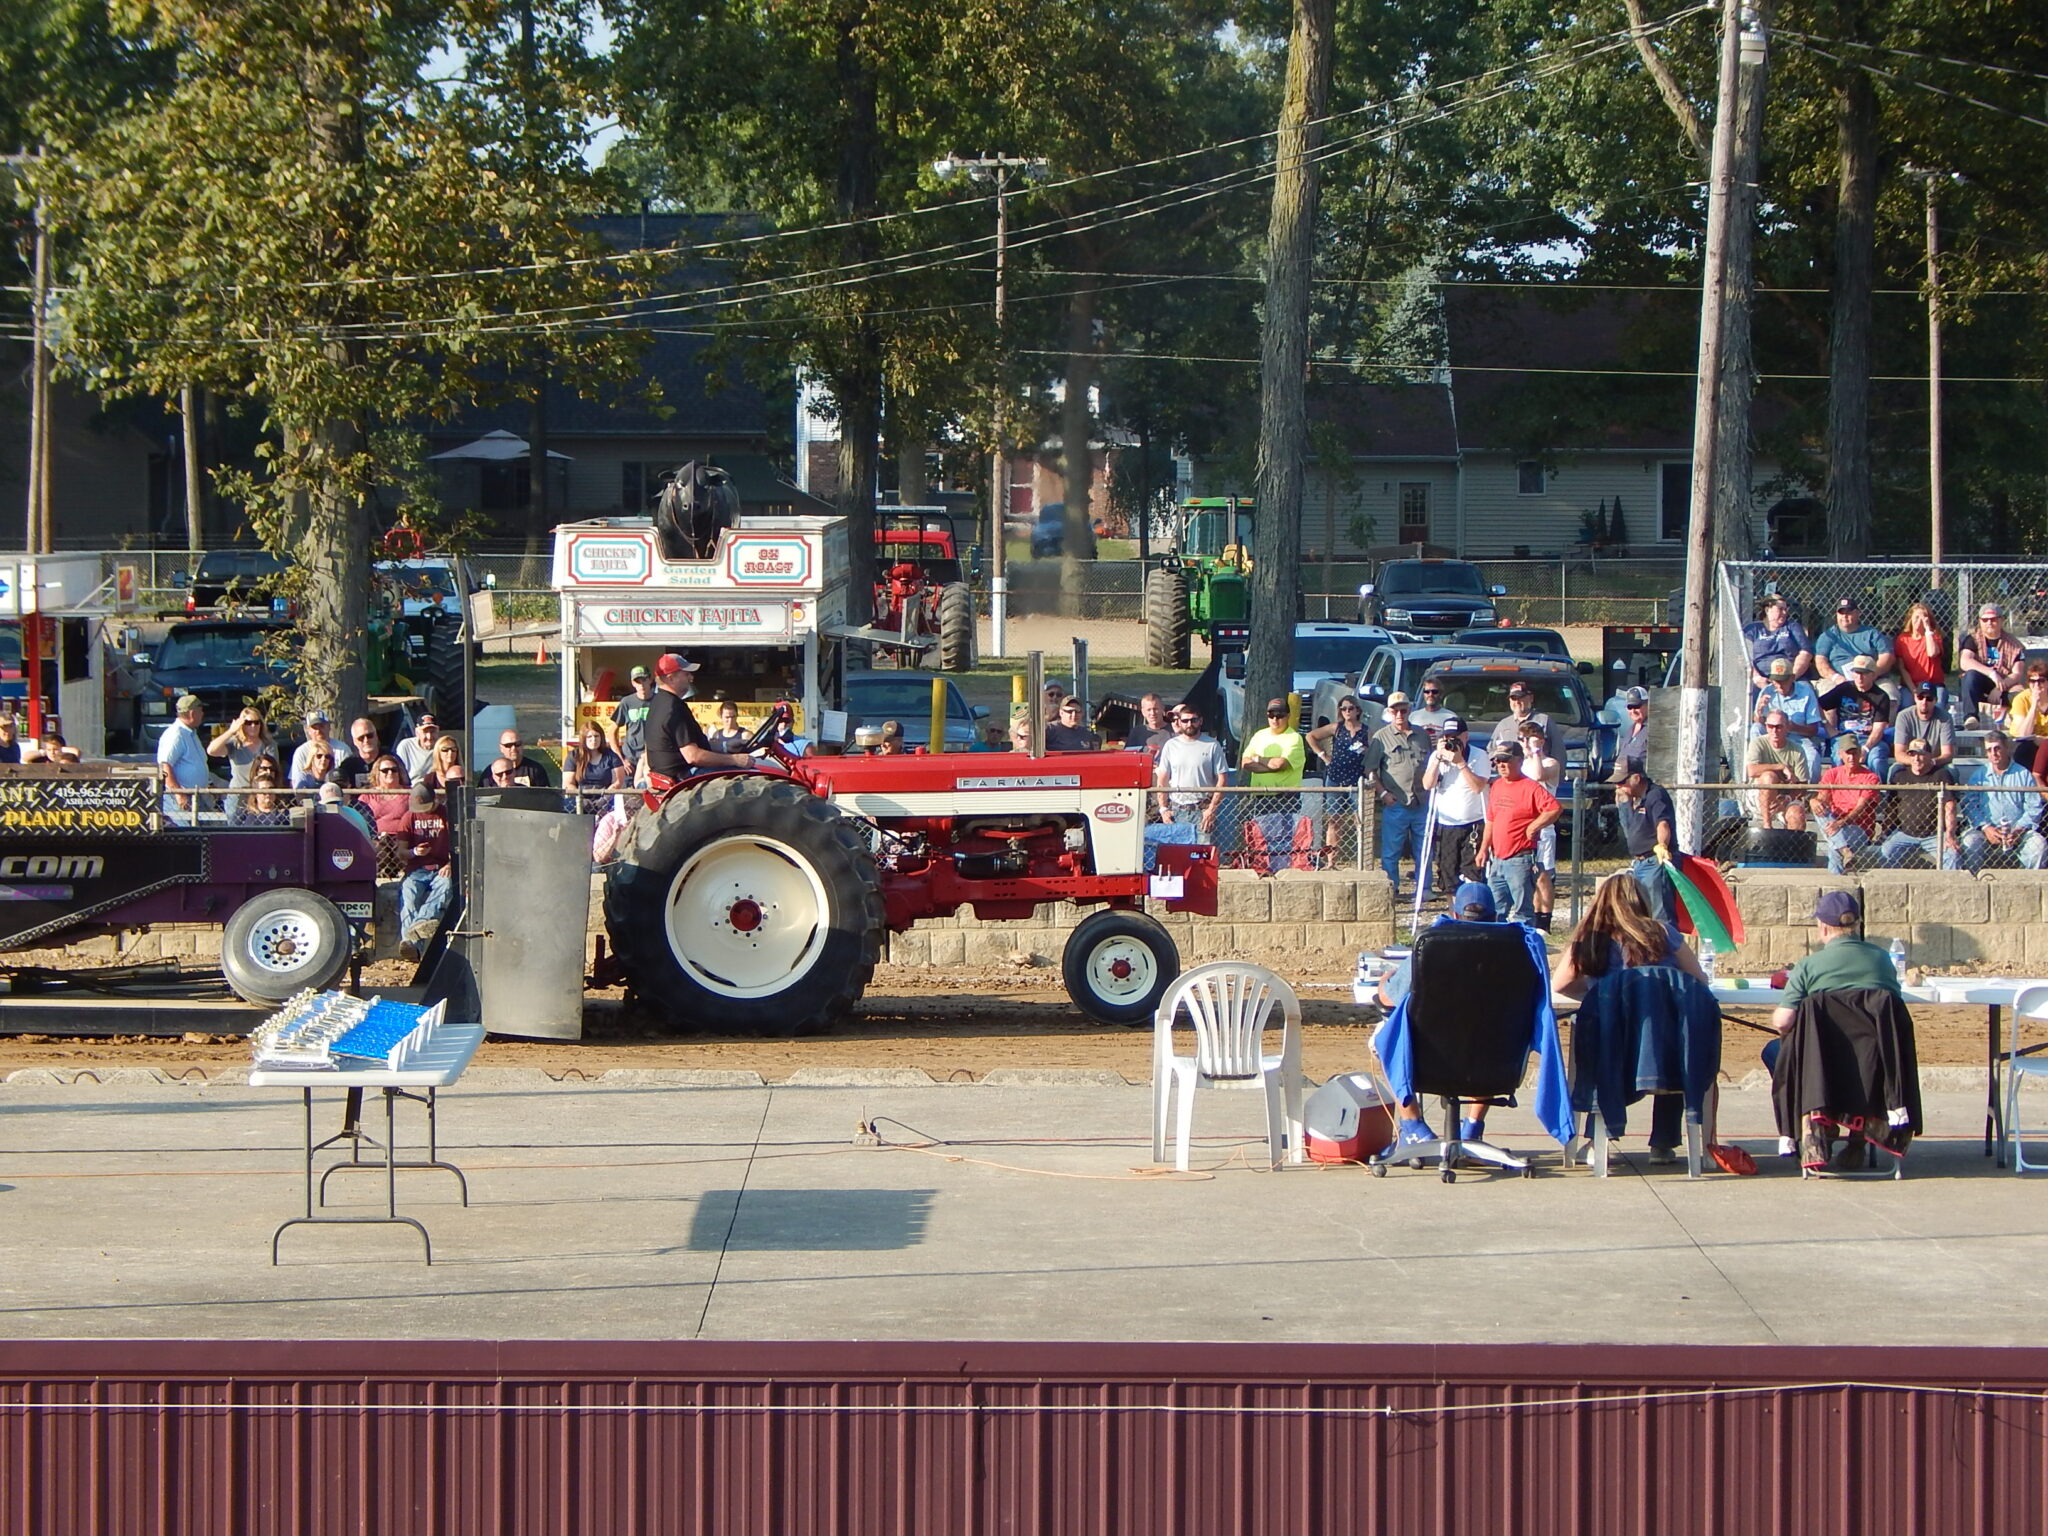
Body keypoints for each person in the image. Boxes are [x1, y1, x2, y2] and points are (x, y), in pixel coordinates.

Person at [1550, 872, 1713, 1164]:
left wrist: (1597, 997)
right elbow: (1698, 980)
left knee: (1604, 1040)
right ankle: (1664, 1142)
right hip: (1662, 1046)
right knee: (1675, 1033)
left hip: (1611, 1043)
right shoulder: (1663, 933)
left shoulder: (1591, 939)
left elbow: (1559, 985)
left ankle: (1597, 1138)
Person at [1769, 890, 1905, 1170]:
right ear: (1856, 925)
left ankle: (1819, 1126)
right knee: (1861, 1060)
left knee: (1776, 1052)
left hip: (1820, 1066)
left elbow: (1783, 1022)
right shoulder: (1882, 960)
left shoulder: (1809, 966)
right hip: (1873, 1064)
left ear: (1824, 926)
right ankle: (1857, 1140)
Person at [1350, 693, 1426, 897]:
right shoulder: (1381, 737)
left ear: (1409, 710)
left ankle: (1424, 890)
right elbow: (1370, 770)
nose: (1399, 714)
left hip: (1422, 802)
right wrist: (1383, 793)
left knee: (1425, 850)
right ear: (1389, 712)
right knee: (1391, 851)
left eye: (1403, 710)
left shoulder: (1422, 735)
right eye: (1395, 710)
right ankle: (1392, 889)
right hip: (1395, 802)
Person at [1478, 739, 1559, 925]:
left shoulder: (1530, 787)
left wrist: (1535, 825)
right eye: (1497, 761)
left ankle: (1524, 950)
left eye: (1506, 760)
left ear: (1519, 761)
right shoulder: (1497, 785)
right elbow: (1491, 820)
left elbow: (1554, 808)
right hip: (1497, 859)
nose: (1501, 765)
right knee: (1494, 911)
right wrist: (1484, 849)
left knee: (1523, 912)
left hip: (1520, 859)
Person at [642, 652, 752, 786]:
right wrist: (735, 760)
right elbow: (692, 756)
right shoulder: (673, 708)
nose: (691, 678)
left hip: (669, 775)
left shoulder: (657, 703)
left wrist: (725, 746)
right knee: (751, 775)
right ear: (671, 678)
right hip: (684, 776)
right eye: (686, 674)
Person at [1420, 714, 1490, 898]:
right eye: (1448, 737)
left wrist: (1460, 763)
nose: (1452, 741)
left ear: (1465, 736)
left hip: (1473, 823)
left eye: (1456, 737)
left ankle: (1472, 916)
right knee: (1448, 878)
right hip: (1446, 824)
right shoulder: (1437, 756)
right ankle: (1455, 916)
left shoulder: (1479, 756)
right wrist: (1437, 759)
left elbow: (1478, 787)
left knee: (1472, 875)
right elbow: (1427, 785)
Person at [1960, 730, 2046, 870]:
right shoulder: (1978, 776)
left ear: (2007, 748)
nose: (1993, 753)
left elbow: (2034, 806)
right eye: (1989, 750)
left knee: (2039, 845)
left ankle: (2029, 888)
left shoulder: (2023, 774)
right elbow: (1970, 805)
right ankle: (1973, 886)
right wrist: (1986, 827)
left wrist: (2019, 829)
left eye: (1997, 748)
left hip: (2019, 832)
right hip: (1985, 831)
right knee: (1969, 842)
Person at [1877, 737, 1961, 869]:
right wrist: (1885, 832)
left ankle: (1949, 887)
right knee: (1885, 852)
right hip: (1905, 834)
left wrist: (1950, 834)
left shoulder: (1941, 775)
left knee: (1952, 855)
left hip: (1935, 835)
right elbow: (1892, 807)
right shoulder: (1899, 776)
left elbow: (1950, 806)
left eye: (1920, 754)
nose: (1916, 759)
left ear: (1929, 755)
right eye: (1912, 754)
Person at [396, 781, 454, 963]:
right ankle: (412, 946)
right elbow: (401, 852)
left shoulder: (447, 815)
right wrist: (414, 852)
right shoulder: (408, 817)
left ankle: (414, 934)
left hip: (441, 867)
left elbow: (459, 845)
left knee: (445, 886)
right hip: (417, 869)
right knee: (409, 894)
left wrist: (451, 864)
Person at [1614, 762, 1678, 921]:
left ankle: (1666, 945)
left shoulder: (1655, 795)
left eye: (1623, 782)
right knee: (1641, 914)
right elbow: (1629, 829)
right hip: (1639, 863)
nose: (1619, 786)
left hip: (1654, 862)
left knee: (1660, 914)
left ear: (1636, 778)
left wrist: (1662, 845)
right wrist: (1624, 803)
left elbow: (1662, 823)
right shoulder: (1634, 799)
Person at [1810, 737, 1882, 874]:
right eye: (1848, 753)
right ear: (1840, 754)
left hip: (1859, 827)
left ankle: (1836, 886)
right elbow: (1822, 799)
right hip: (1834, 823)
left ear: (1860, 753)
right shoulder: (1832, 774)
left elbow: (1861, 808)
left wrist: (1840, 823)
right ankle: (1845, 850)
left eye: (1855, 753)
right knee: (1818, 809)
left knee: (1834, 847)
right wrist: (1813, 802)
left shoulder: (1870, 777)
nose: (1851, 757)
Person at [1152, 703, 1227, 834]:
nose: (1189, 724)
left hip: (1203, 810)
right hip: (1176, 810)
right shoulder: (1171, 745)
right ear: (1179, 722)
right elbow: (1163, 779)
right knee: (1178, 853)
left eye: (1194, 720)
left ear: (1200, 721)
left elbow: (1222, 779)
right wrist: (1163, 809)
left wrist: (1211, 810)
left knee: (1202, 853)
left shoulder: (1212, 745)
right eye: (1185, 720)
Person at [1518, 720, 1562, 929]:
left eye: (1527, 739)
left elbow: (1538, 775)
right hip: (1523, 828)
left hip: (1544, 828)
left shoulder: (1550, 763)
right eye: (1521, 739)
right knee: (1526, 877)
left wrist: (1536, 751)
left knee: (1543, 876)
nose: (1524, 744)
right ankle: (1531, 919)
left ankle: (1544, 923)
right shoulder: (1521, 764)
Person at [1819, 656, 1893, 778]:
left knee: (1877, 761)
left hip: (1869, 739)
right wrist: (1828, 727)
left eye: (1864, 673)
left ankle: (1882, 794)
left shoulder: (1881, 696)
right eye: (1856, 673)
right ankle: (1839, 793)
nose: (1859, 677)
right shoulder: (1844, 689)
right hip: (1844, 737)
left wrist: (1865, 748)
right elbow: (1818, 704)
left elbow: (1878, 730)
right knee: (1839, 758)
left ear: (1872, 675)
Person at [1751, 657, 1826, 776]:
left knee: (1812, 757)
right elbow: (1759, 723)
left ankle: (1807, 791)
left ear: (1792, 678)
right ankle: (1756, 770)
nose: (1779, 685)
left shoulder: (1806, 692)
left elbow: (1814, 729)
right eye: (1776, 680)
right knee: (1755, 728)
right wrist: (1759, 711)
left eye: (1783, 680)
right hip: (1771, 738)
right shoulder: (1767, 691)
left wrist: (1792, 727)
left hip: (1797, 739)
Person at [1958, 603, 2024, 726]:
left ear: (2001, 620)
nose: (1989, 623)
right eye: (1985, 620)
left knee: (2020, 694)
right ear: (1980, 621)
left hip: (2005, 683)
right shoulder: (1972, 639)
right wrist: (1991, 673)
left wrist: (1999, 687)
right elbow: (1965, 661)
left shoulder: (2014, 644)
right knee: (1970, 676)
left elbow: (2017, 673)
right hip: (1981, 682)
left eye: (1993, 619)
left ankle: (2019, 724)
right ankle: (1971, 718)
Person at [1812, 597, 1895, 695]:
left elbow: (1887, 657)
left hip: (1872, 679)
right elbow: (1820, 661)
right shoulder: (1828, 636)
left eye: (1849, 612)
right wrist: (1835, 677)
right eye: (1841, 613)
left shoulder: (1871, 633)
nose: (1844, 616)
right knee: (1827, 696)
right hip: (1837, 680)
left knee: (1889, 694)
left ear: (1857, 613)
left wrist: (1872, 674)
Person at [1240, 698, 1305, 817]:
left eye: (1280, 715)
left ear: (1288, 716)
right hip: (1259, 798)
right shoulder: (1259, 735)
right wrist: (1271, 766)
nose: (1275, 719)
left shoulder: (1294, 738)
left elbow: (1279, 764)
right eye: (1271, 715)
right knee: (1259, 835)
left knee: (1283, 835)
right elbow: (1245, 763)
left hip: (1285, 800)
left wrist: (1258, 759)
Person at [1744, 711, 1809, 831]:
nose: (1774, 730)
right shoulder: (1758, 743)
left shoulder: (1797, 750)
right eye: (1770, 726)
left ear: (1787, 727)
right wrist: (1781, 767)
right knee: (1769, 777)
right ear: (1766, 727)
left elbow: (1803, 785)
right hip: (1759, 795)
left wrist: (1786, 800)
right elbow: (1752, 771)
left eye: (1779, 726)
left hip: (1785, 795)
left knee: (1797, 815)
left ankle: (1791, 848)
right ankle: (1767, 825)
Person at [156, 694, 211, 823]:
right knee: (188, 833)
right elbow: (165, 766)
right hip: (182, 798)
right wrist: (179, 794)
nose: (203, 714)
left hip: (196, 796)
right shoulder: (176, 734)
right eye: (200, 710)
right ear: (192, 713)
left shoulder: (190, 733)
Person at [1743, 594, 1811, 689]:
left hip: (1790, 676)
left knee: (1805, 691)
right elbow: (1742, 656)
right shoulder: (1752, 629)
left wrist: (1792, 677)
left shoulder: (1792, 627)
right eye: (1780, 609)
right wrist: (1756, 677)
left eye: (1786, 609)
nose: (1784, 612)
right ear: (1767, 610)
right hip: (1761, 678)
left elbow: (1805, 653)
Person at [208, 704, 276, 790]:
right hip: (238, 792)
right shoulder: (235, 743)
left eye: (256, 722)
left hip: (261, 792)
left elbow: (274, 769)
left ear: (261, 724)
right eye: (248, 723)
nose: (253, 726)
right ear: (242, 725)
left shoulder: (269, 744)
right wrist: (231, 731)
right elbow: (211, 751)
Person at [563, 721, 625, 811]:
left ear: (601, 737)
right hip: (579, 798)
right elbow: (568, 783)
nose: (594, 740)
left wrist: (605, 799)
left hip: (606, 799)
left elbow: (618, 782)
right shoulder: (573, 756)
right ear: (583, 739)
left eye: (596, 736)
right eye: (589, 737)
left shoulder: (611, 756)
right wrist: (581, 800)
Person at [610, 665, 656, 777]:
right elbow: (612, 732)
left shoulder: (659, 701)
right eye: (637, 681)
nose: (641, 685)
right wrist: (621, 759)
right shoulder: (626, 702)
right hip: (630, 760)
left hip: (653, 758)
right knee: (628, 793)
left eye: (644, 680)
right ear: (633, 683)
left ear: (650, 680)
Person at [1897, 682, 1955, 769]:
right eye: (1920, 697)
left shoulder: (1945, 718)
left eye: (1929, 698)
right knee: (1894, 770)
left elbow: (1947, 754)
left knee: (1952, 770)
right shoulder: (1904, 716)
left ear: (1935, 700)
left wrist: (1931, 762)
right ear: (1915, 698)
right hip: (1910, 765)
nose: (1924, 702)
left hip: (1935, 764)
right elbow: (1899, 754)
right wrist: (1916, 762)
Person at [1894, 601, 1946, 694]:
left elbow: (1932, 653)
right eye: (1916, 617)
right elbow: (1902, 668)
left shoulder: (1934, 637)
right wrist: (1914, 691)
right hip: (1911, 685)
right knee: (1906, 705)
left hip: (1933, 685)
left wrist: (1927, 629)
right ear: (1911, 619)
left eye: (1923, 618)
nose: (1919, 620)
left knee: (1937, 704)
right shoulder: (1902, 639)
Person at [1487, 682, 1552, 753]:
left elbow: (1558, 753)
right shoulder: (1503, 725)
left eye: (1521, 697)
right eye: (1513, 698)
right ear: (1509, 701)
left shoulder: (1544, 721)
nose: (1517, 701)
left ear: (1531, 698)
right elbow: (1491, 751)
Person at [2007, 661, 2048, 772]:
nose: (2036, 685)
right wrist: (2034, 705)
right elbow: (2024, 734)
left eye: (2041, 681)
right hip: (2028, 745)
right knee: (2024, 750)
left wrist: (2044, 741)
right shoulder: (2021, 699)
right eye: (2032, 681)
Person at [363, 754, 414, 836]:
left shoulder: (409, 792)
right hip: (376, 839)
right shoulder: (368, 795)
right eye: (385, 770)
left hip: (403, 839)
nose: (390, 772)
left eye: (394, 770)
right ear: (377, 773)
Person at [236, 756, 291, 826]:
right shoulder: (245, 793)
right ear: (256, 770)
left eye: (272, 769)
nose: (268, 772)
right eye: (264, 768)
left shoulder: (284, 793)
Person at [332, 718, 383, 790]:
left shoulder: (391, 760)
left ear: (376, 736)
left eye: (370, 735)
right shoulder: (348, 765)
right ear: (354, 741)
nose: (366, 740)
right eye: (361, 738)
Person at [287, 709, 337, 783]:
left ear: (329, 727)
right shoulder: (301, 752)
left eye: (321, 726)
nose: (318, 731)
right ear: (308, 730)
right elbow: (294, 782)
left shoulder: (343, 749)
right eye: (314, 728)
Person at [1614, 687, 1650, 770]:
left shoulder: (1653, 730)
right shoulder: (1630, 730)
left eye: (1637, 706)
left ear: (1647, 704)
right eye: (1630, 707)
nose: (1633, 711)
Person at [396, 712, 438, 780]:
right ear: (417, 732)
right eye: (425, 732)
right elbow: (400, 775)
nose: (429, 737)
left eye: (432, 731)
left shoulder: (443, 747)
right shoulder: (406, 746)